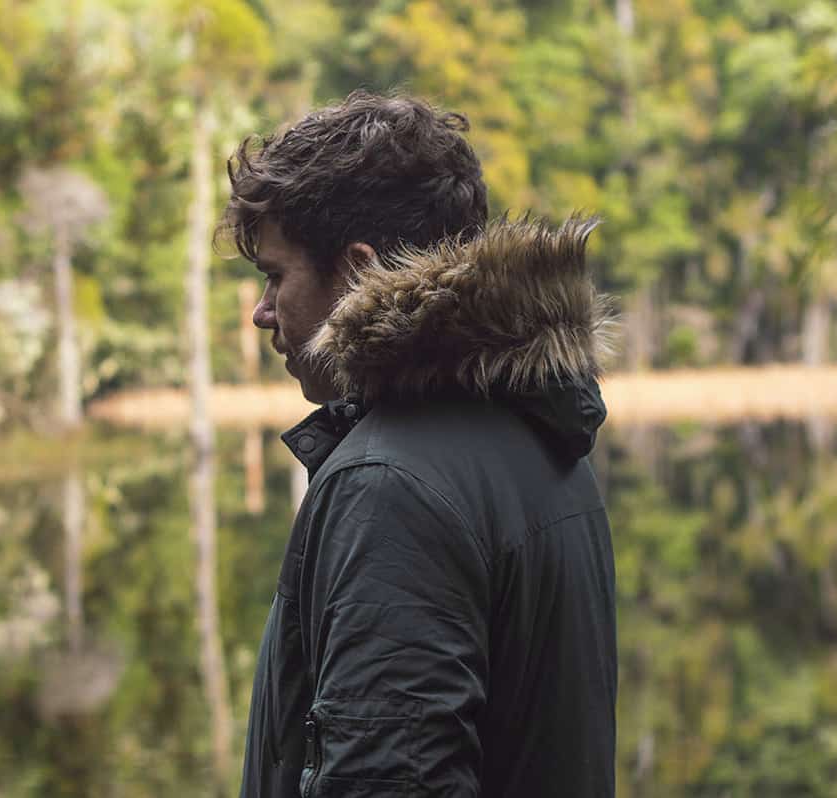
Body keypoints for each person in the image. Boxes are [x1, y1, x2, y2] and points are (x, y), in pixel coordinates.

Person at [221, 90, 618, 797]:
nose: (262, 311)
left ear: (356, 270)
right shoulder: (540, 433)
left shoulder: (390, 483)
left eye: (277, 276)